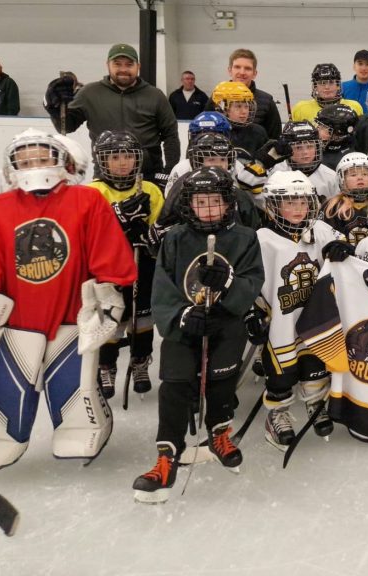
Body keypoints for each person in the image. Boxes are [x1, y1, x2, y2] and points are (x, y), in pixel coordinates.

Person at [0, 130, 136, 471]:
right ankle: (2, 433)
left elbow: (108, 252)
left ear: (62, 161)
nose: (34, 165)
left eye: (42, 157)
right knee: (6, 387)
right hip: (18, 322)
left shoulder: (86, 200)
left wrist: (108, 296)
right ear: (12, 166)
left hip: (72, 317)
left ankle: (85, 425)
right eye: (25, 160)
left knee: (72, 389)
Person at [134, 166, 264, 503]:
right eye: (201, 202)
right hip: (184, 326)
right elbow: (162, 285)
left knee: (222, 381)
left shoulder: (245, 238)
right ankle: (167, 457)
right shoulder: (175, 238)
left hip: (226, 324)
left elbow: (253, 280)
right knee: (175, 385)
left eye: (215, 201)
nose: (208, 209)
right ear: (188, 204)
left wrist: (229, 284)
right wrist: (183, 315)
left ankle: (219, 434)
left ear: (229, 203)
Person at [248, 170, 350, 449]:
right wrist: (253, 313)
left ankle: (315, 402)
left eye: (302, 202)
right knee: (280, 372)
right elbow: (251, 280)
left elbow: (343, 246)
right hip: (280, 320)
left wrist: (342, 248)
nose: (297, 208)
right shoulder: (261, 238)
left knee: (315, 364)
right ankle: (277, 413)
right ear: (273, 205)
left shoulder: (320, 230)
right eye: (289, 202)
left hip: (314, 317)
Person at [88, 130, 165, 399]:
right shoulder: (93, 191)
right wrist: (119, 222)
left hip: (142, 265)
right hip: (106, 269)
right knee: (110, 318)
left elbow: (160, 230)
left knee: (142, 317)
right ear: (102, 161)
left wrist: (146, 235)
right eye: (115, 157)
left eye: (128, 157)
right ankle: (106, 365)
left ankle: (140, 360)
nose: (122, 163)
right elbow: (88, 231)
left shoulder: (150, 190)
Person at [44, 43, 180, 188]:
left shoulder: (155, 95)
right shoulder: (89, 93)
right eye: (117, 64)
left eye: (129, 64)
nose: (123, 69)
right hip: (105, 177)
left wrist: (170, 170)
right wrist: (53, 107)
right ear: (108, 65)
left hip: (147, 177)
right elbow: (66, 126)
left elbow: (170, 135)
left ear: (138, 66)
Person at [218, 48, 282, 139]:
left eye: (247, 68)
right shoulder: (217, 98)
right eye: (237, 67)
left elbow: (275, 139)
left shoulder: (267, 101)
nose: (242, 72)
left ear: (254, 73)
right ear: (230, 70)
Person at [323, 152, 368, 246]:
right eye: (353, 175)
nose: (360, 178)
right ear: (342, 179)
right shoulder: (331, 208)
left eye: (365, 174)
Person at [211, 80, 268, 161]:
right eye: (238, 106)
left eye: (246, 106)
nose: (244, 111)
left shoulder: (258, 132)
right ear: (223, 109)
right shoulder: (212, 132)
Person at [291, 63, 363, 123]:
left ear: (338, 86)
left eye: (331, 82)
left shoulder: (354, 107)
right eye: (322, 83)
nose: (327, 87)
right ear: (315, 87)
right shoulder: (300, 109)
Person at [316, 103, 359, 171]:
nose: (317, 131)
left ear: (338, 133)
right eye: (318, 126)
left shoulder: (346, 161)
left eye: (323, 128)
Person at [342, 50, 368, 116]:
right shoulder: (342, 88)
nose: (364, 68)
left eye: (367, 64)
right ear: (354, 66)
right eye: (360, 64)